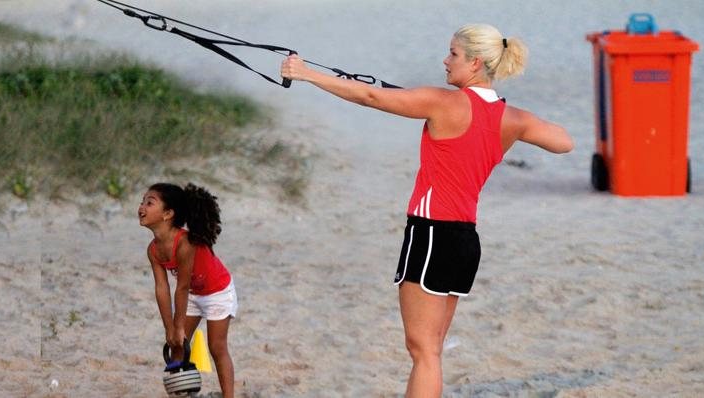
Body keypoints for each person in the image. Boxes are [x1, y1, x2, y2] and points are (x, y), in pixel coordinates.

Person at [281, 23, 573, 397]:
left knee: (423, 352)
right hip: (465, 241)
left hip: (432, 233)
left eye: (453, 54)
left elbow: (370, 98)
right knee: (429, 350)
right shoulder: (511, 118)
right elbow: (564, 142)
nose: (445, 61)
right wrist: (512, 124)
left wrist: (306, 73)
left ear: (475, 62)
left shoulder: (443, 102)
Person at [138, 182, 237, 398]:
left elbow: (181, 287)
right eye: (142, 201)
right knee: (177, 347)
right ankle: (182, 394)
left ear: (168, 214)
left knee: (216, 347)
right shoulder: (153, 250)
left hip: (217, 291)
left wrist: (179, 325)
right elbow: (161, 288)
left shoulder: (185, 244)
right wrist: (169, 329)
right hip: (194, 294)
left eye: (149, 202)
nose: (141, 207)